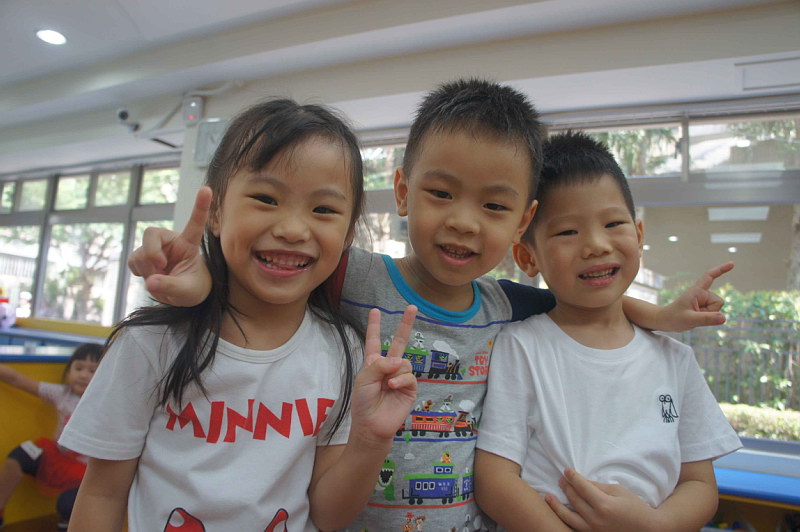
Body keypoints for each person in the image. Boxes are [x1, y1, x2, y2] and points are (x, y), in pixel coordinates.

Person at [127, 79, 733, 530]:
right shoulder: (353, 275)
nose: (464, 221)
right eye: (441, 193)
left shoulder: (507, 305)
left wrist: (659, 317)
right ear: (402, 192)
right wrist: (203, 274)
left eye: (494, 206)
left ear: (521, 224)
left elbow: (585, 300)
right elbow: (277, 265)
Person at [58, 98, 420, 532]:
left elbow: (328, 516)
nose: (292, 229)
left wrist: (370, 441)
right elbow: (102, 494)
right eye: (266, 198)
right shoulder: (150, 344)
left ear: (347, 233)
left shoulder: (344, 353)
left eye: (324, 209)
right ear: (216, 212)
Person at [475, 131, 742, 532]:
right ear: (528, 257)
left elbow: (700, 484)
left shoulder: (675, 359)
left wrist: (656, 525)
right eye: (567, 232)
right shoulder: (521, 347)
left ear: (639, 234)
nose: (596, 245)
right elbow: (494, 480)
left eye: (613, 223)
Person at [0, 342, 102, 530]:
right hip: (55, 456)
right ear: (69, 371)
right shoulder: (61, 394)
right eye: (78, 368)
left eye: (92, 371)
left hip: (85, 470)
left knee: (67, 506)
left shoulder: (105, 404)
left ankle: (66, 524)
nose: (83, 375)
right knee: (18, 456)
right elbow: (16, 379)